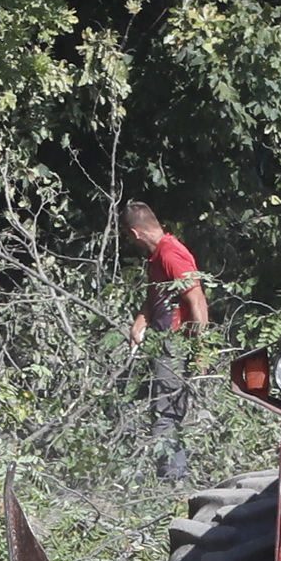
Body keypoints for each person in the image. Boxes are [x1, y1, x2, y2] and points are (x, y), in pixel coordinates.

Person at [123, 201, 209, 482]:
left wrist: (200, 351)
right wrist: (140, 323)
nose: (130, 242)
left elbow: (197, 301)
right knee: (142, 401)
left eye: (128, 237)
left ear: (135, 233)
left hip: (176, 344)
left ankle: (172, 482)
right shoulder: (157, 256)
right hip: (160, 342)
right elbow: (156, 298)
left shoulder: (171, 254)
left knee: (166, 412)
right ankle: (158, 473)